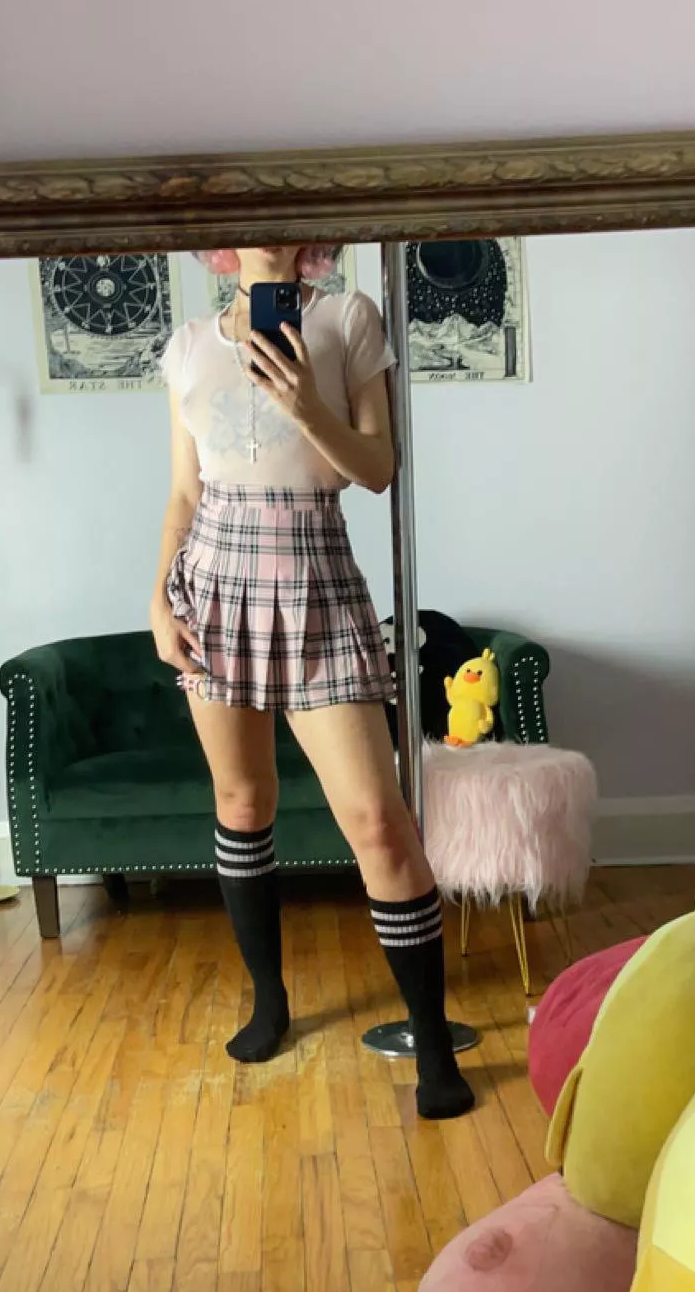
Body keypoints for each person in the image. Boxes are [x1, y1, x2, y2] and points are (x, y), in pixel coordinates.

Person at [149, 245, 474, 1121]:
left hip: (317, 575)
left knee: (378, 820)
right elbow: (184, 495)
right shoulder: (189, 346)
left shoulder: (346, 319)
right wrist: (157, 599)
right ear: (221, 242)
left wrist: (304, 404)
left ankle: (432, 1043)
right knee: (241, 800)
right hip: (213, 583)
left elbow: (376, 468)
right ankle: (269, 998)